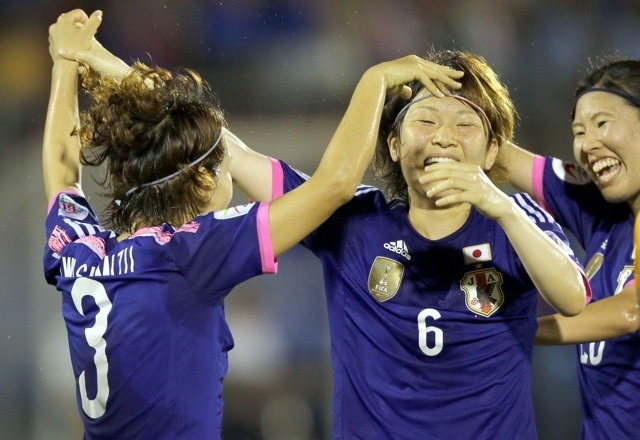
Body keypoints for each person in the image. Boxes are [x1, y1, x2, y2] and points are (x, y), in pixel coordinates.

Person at [43, 10, 465, 439]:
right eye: (222, 164)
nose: (232, 165)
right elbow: (334, 186)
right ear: (202, 181)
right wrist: (374, 81)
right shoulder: (192, 251)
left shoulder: (80, 251)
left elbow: (60, 173)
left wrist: (68, 62)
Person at [227, 51, 591, 438]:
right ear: (395, 144)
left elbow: (573, 298)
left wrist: (501, 207)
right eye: (426, 119)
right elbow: (235, 156)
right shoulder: (352, 219)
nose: (443, 137)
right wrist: (375, 80)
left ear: (491, 152)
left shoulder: (517, 220)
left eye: (465, 123)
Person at [503, 57, 640, 439]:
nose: (586, 144)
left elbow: (632, 310)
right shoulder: (600, 211)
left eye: (602, 123)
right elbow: (499, 156)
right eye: (579, 131)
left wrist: (515, 328)